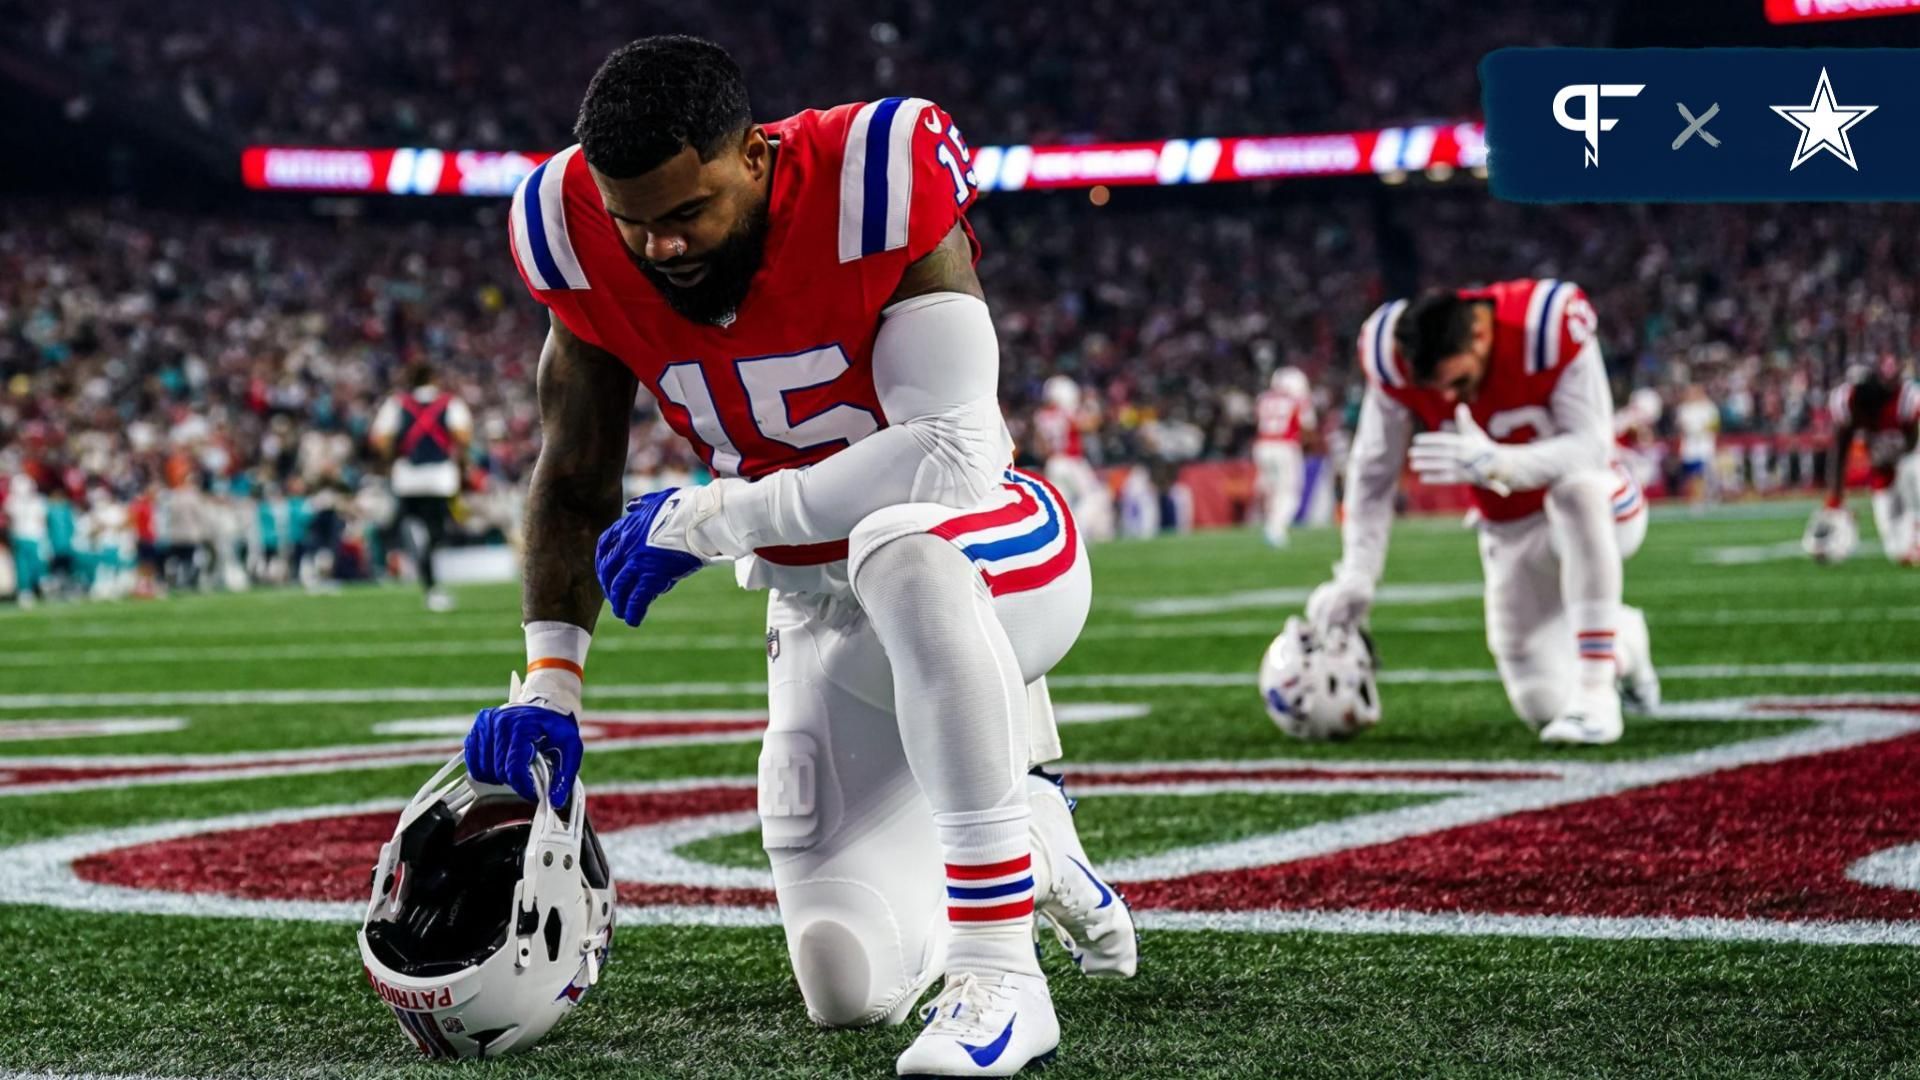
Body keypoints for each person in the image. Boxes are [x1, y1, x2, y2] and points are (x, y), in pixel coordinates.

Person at [461, 37, 1134, 1077]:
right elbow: (574, 472)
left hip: (991, 556)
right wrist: (550, 685)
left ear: (757, 159)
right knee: (845, 980)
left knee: (901, 549)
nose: (660, 248)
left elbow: (954, 457)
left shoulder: (874, 174)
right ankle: (1036, 836)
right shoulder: (571, 228)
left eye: (688, 214)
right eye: (635, 222)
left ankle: (1002, 978)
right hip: (813, 604)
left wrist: (714, 516)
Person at [1306, 280, 1659, 746]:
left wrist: (1503, 463)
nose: (1450, 400)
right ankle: (1624, 641)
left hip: (1601, 506)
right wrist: (1357, 574)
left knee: (1575, 494)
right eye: (1436, 389)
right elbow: (1373, 473)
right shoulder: (1389, 354)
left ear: (1480, 336)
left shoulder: (1544, 324)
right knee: (1542, 702)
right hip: (1508, 528)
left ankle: (1597, 692)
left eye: (1458, 382)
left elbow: (1592, 447)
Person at [369, 362, 472, 611]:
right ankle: (430, 586)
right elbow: (464, 436)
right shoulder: (450, 403)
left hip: (407, 477)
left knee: (401, 524)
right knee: (436, 534)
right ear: (434, 378)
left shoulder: (397, 403)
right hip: (440, 478)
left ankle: (388, 558)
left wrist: (397, 453)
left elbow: (379, 439)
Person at [1808, 364, 1920, 564]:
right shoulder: (1847, 404)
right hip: (1883, 474)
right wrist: (1835, 500)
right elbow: (1839, 453)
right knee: (1898, 552)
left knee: (1912, 466)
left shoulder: (1906, 400)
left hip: (1912, 464)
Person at [1032, 375, 1115, 543]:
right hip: (1071, 461)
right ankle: (1079, 534)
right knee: (1093, 496)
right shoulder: (1066, 412)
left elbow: (1040, 447)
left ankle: (1057, 543)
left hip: (1053, 463)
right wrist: (1093, 406)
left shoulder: (1040, 416)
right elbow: (1090, 425)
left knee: (1059, 506)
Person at [1252, 366, 1315, 547]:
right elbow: (1308, 427)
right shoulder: (1297, 399)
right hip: (1285, 445)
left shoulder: (1264, 398)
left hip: (1262, 445)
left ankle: (1270, 523)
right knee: (1290, 491)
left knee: (1273, 490)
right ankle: (1275, 529)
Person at [1674, 383, 1720, 509]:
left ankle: (1704, 498)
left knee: (1702, 473)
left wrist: (1702, 430)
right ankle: (1696, 498)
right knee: (1691, 474)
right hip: (1690, 446)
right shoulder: (1683, 408)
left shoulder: (1709, 407)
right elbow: (1681, 426)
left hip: (1704, 445)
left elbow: (1715, 426)